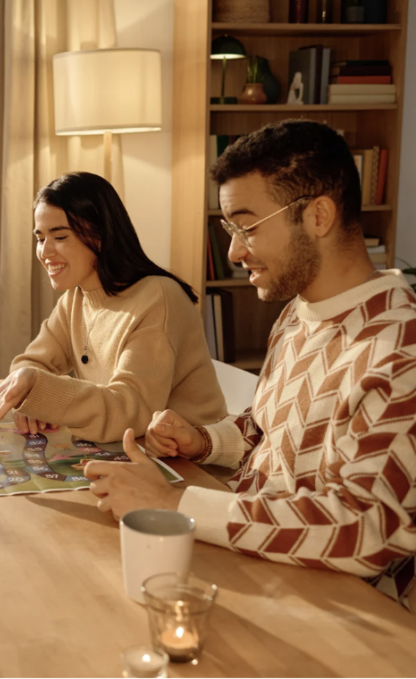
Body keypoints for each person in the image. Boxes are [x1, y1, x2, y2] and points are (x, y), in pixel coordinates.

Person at [87, 120, 416, 612]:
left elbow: (366, 529)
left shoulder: (399, 347)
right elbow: (273, 433)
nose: (234, 251)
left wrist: (177, 504)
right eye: (230, 229)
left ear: (319, 215)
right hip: (260, 567)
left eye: (248, 226)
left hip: (347, 612)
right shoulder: (296, 315)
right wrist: (204, 440)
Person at [0, 172, 227, 442]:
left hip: (190, 461)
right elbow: (32, 363)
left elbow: (132, 411)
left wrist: (38, 389)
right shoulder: (77, 298)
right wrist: (30, 396)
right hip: (129, 450)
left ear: (101, 235)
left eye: (59, 237)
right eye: (40, 238)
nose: (45, 252)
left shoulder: (158, 298)